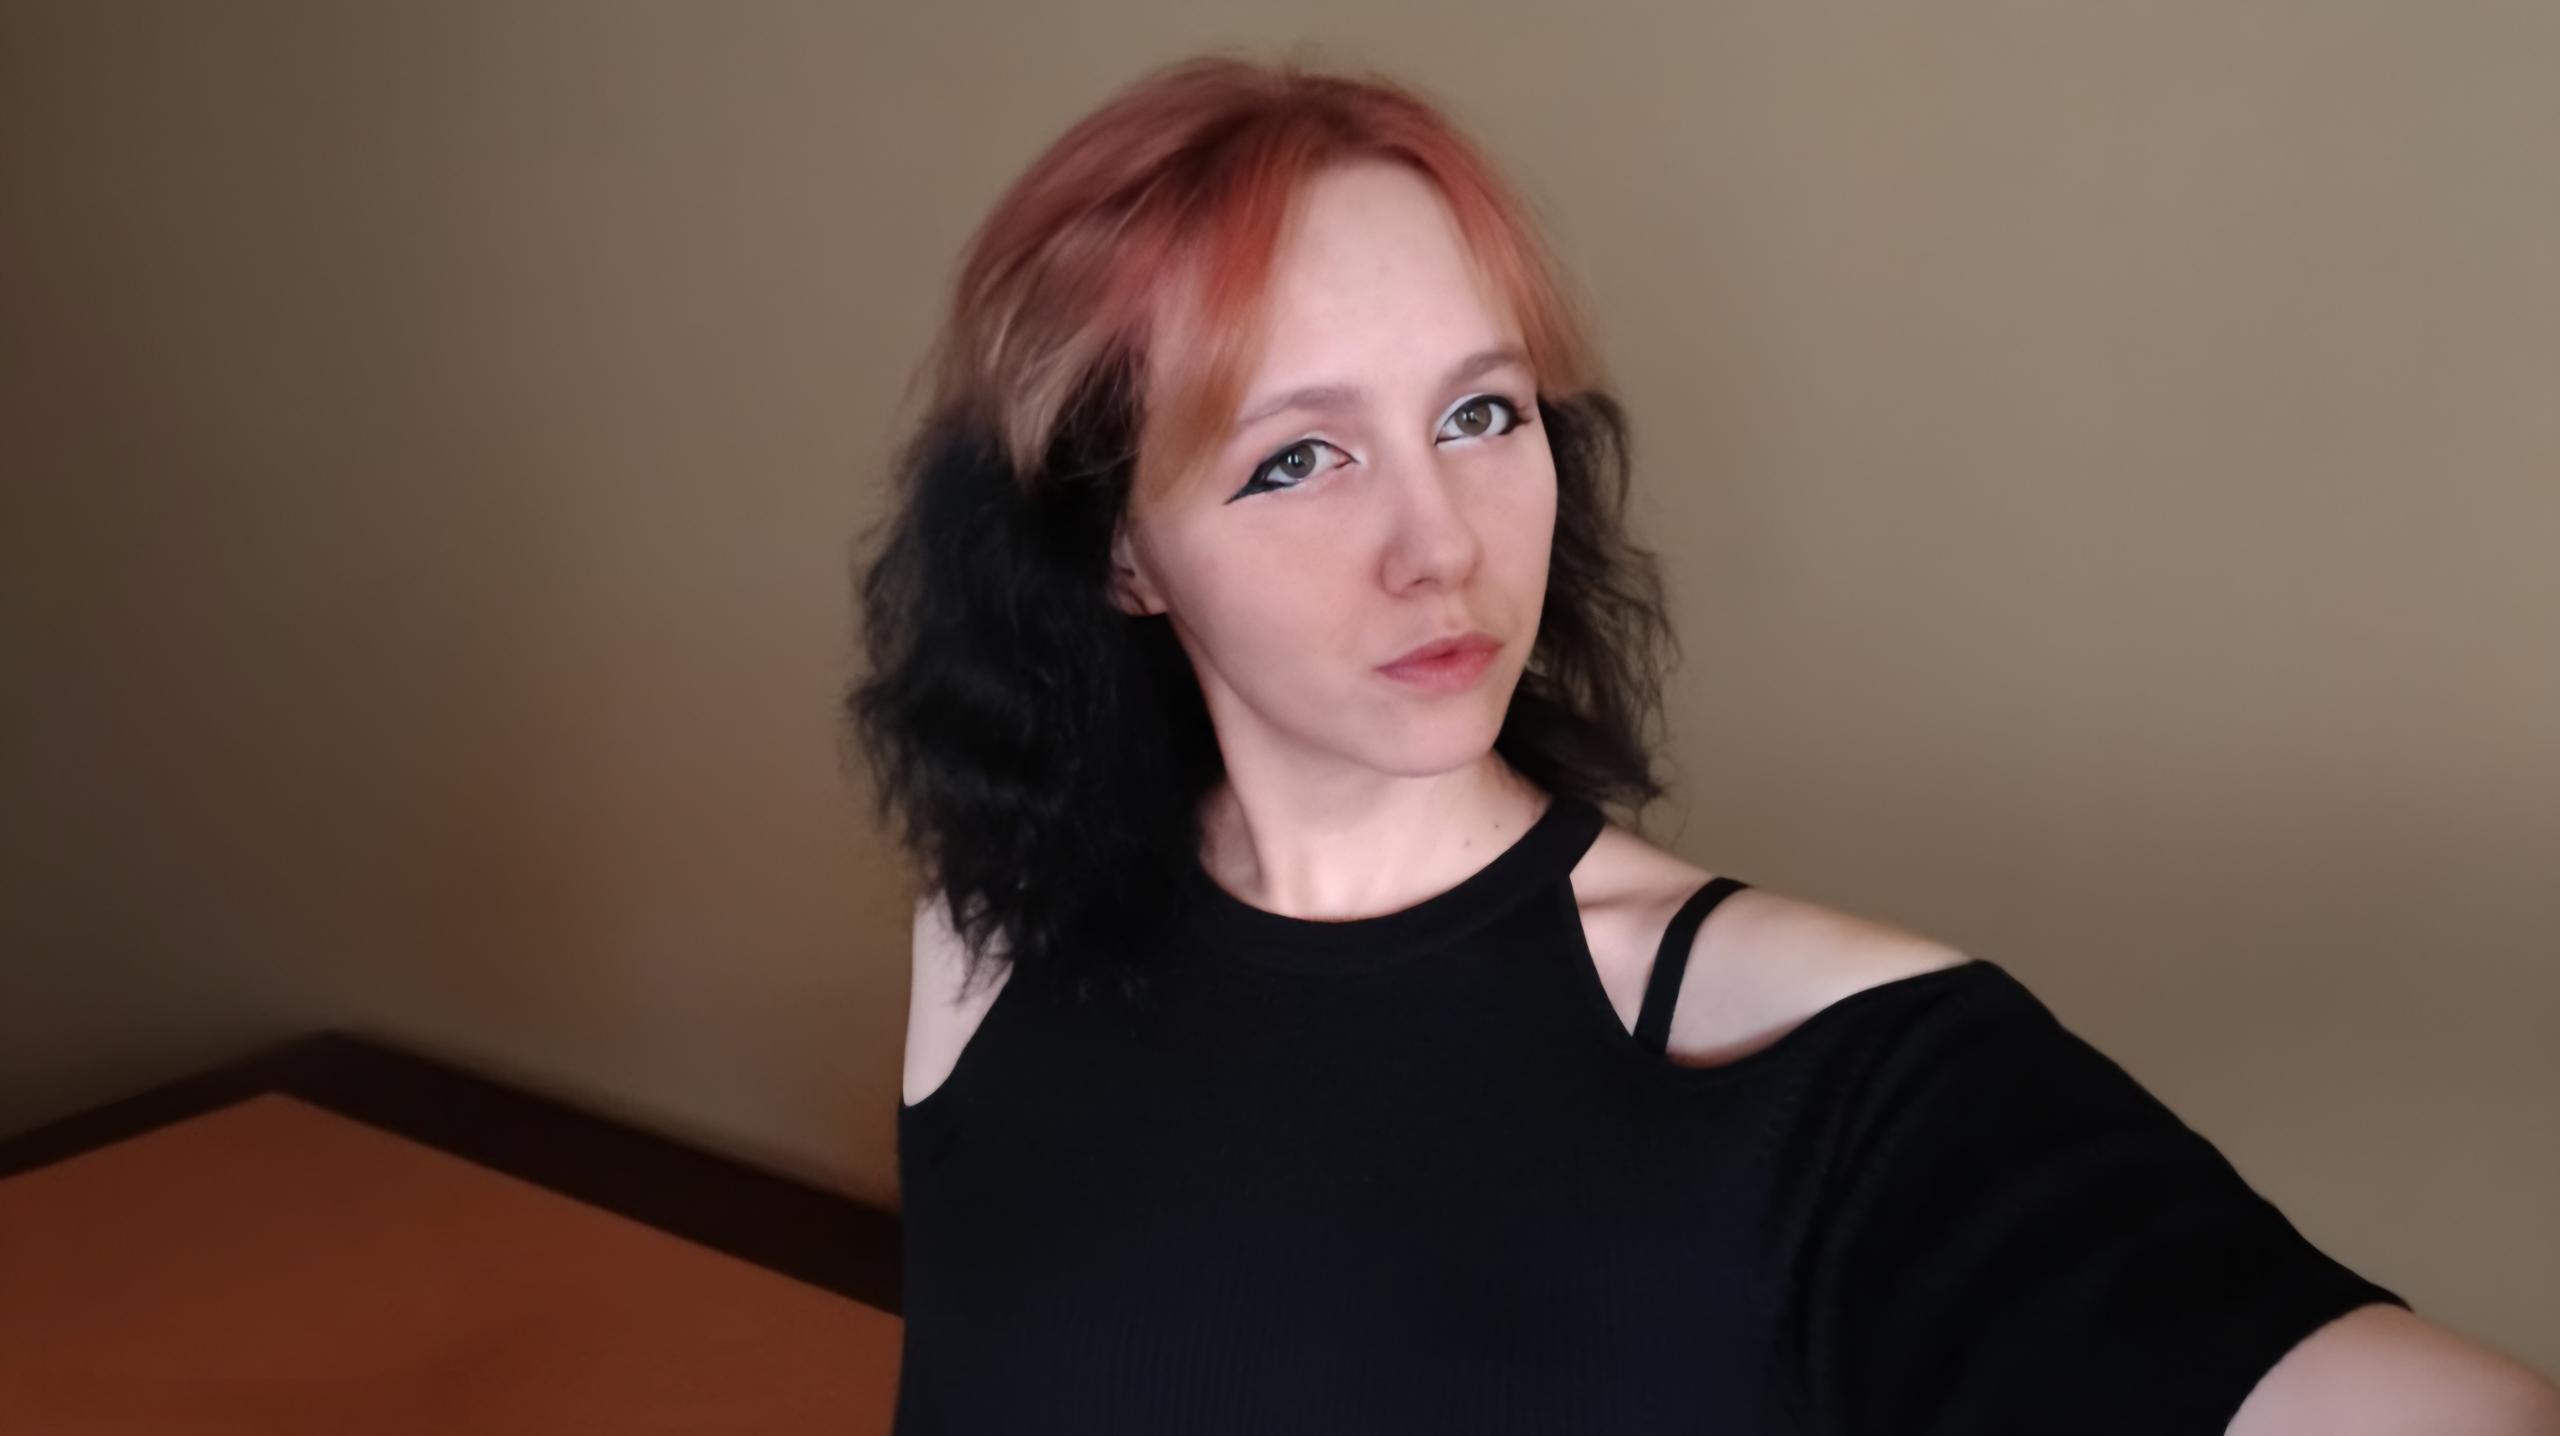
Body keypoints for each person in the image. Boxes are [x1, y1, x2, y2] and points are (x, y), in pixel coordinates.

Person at [846, 48, 2560, 1436]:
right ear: (1121, 553)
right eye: (1300, 457)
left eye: (1480, 413)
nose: (1441, 544)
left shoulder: (1824, 1062)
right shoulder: (987, 945)